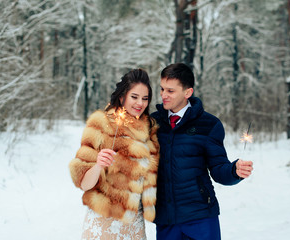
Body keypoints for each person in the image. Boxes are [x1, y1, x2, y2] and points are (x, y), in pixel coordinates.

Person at [151, 63, 253, 240]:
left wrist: (233, 171)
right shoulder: (152, 123)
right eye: (162, 89)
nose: (163, 95)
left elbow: (219, 168)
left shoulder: (209, 125)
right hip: (166, 219)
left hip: (201, 218)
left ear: (187, 92)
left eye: (170, 91)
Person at [69, 69, 159, 240]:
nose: (140, 103)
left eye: (145, 98)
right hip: (105, 224)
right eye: (134, 97)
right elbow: (84, 184)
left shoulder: (151, 131)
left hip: (134, 227)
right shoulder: (101, 125)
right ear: (122, 96)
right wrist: (98, 166)